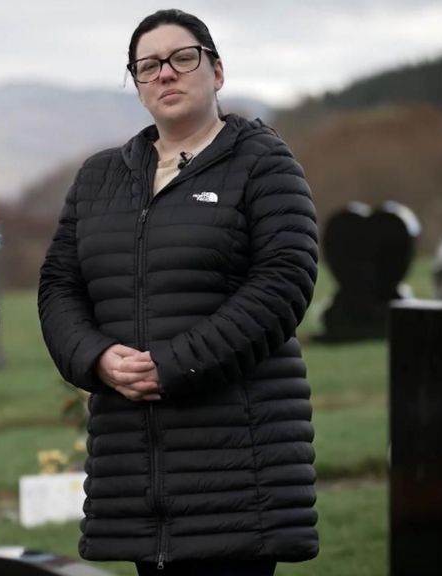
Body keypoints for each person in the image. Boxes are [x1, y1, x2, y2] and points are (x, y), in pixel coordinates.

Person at [38, 9, 319, 576]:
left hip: (237, 468)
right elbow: (58, 286)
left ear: (216, 71)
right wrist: (96, 358)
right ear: (137, 85)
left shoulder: (262, 163)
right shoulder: (99, 178)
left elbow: (284, 281)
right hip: (136, 473)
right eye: (147, 66)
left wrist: (171, 366)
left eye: (182, 58)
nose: (165, 73)